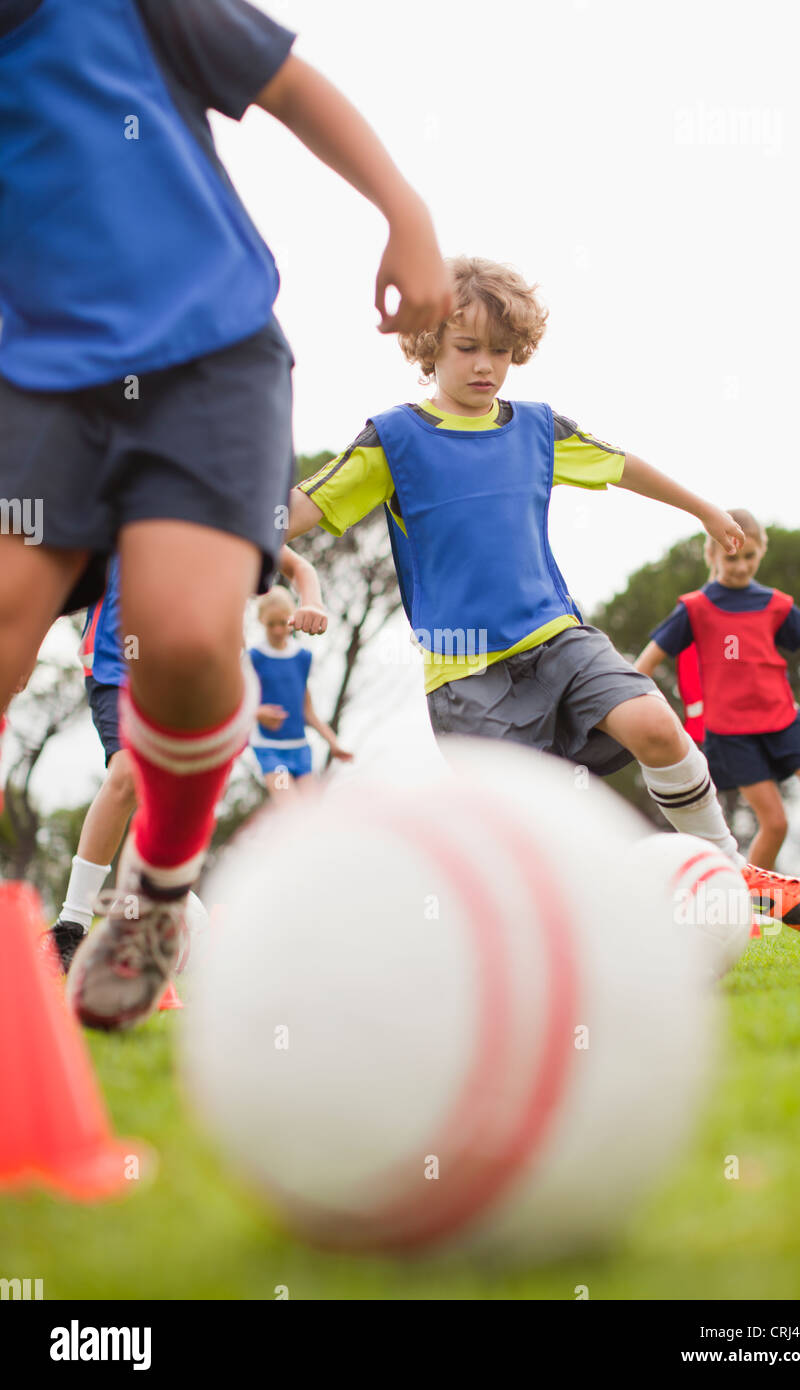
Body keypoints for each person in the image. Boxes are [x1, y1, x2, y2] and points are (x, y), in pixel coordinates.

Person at [0, 0, 451, 1030]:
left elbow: (288, 83)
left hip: (207, 363)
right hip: (35, 385)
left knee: (191, 639)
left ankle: (157, 896)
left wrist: (405, 213)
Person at [285, 256, 800, 932]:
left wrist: (703, 511)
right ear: (429, 346)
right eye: (468, 348)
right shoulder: (393, 440)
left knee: (656, 726)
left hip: (559, 638)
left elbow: (623, 464)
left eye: (502, 351)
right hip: (466, 673)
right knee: (528, 832)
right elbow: (303, 509)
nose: (486, 364)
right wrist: (220, 534)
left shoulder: (537, 428)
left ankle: (727, 873)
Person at [45, 548, 328, 973]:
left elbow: (296, 564)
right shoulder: (113, 488)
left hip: (189, 668)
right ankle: (71, 925)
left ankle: (147, 916)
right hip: (116, 656)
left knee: (176, 797)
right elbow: (56, 565)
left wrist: (311, 598)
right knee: (127, 774)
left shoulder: (224, 499)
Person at [635, 508, 800, 868]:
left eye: (749, 556)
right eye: (731, 556)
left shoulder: (776, 604)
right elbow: (644, 666)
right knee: (775, 823)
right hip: (731, 734)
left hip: (784, 720)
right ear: (711, 554)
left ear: (762, 552)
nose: (740, 565)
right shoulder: (694, 609)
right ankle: (749, 901)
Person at [250, 587, 353, 799]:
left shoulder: (302, 658)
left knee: (309, 815)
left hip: (300, 750)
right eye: (271, 624)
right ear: (261, 620)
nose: (278, 630)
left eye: (283, 623)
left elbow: (307, 711)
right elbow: (236, 705)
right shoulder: (254, 658)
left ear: (292, 619)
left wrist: (333, 743)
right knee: (290, 809)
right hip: (271, 752)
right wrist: (257, 712)